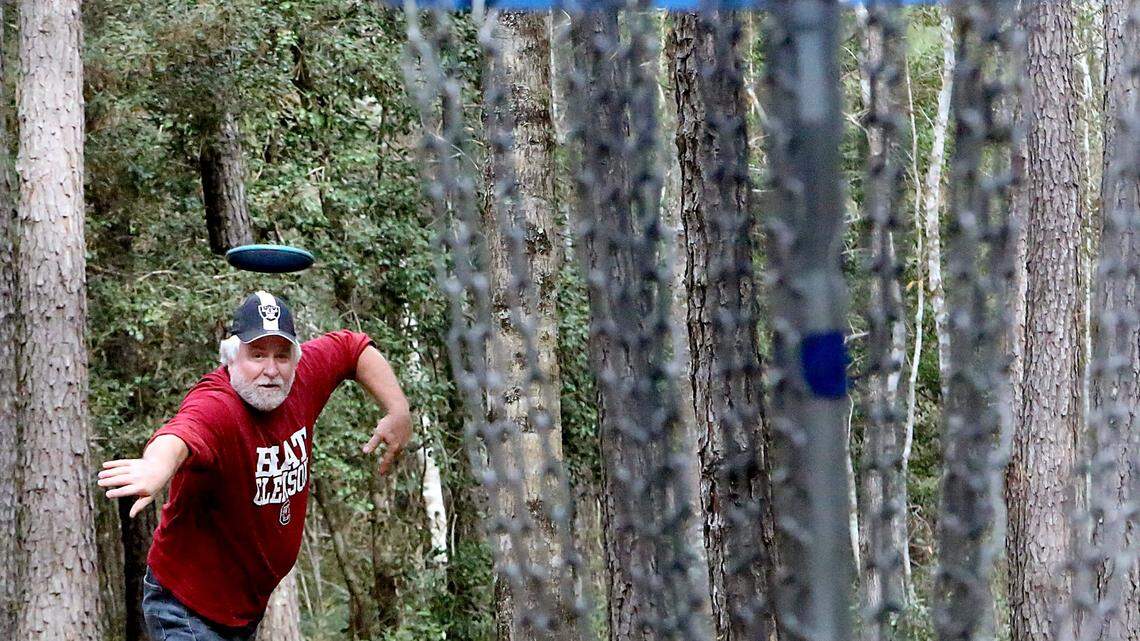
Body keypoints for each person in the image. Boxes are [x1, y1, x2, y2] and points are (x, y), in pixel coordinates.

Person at [97, 291, 412, 641]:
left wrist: (398, 408)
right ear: (231, 356)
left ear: (296, 357)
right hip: (185, 608)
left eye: (281, 355)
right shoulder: (219, 406)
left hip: (243, 612)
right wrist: (155, 466)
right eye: (257, 355)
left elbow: (353, 348)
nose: (271, 370)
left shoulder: (302, 379)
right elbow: (181, 434)